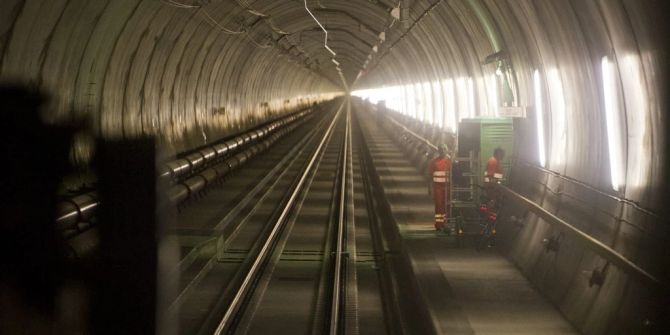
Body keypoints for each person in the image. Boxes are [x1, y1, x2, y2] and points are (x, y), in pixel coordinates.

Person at [428, 145, 452, 231]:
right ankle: (439, 224)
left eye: (444, 149)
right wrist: (429, 188)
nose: (443, 151)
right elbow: (430, 176)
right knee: (439, 205)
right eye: (441, 149)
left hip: (447, 187)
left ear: (447, 150)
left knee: (447, 205)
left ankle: (445, 223)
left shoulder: (450, 162)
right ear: (438, 150)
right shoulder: (433, 162)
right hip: (437, 187)